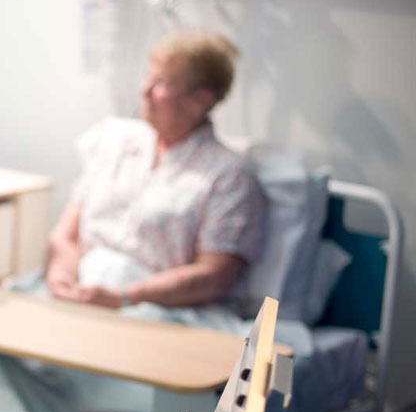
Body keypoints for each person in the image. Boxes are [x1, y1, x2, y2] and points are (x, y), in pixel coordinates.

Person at [43, 30, 266, 310]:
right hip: (78, 294)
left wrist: (126, 297)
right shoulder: (115, 141)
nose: (145, 90)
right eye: (149, 76)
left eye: (160, 82)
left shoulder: (228, 175)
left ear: (202, 99)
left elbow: (214, 275)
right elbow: (66, 234)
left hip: (155, 308)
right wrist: (61, 275)